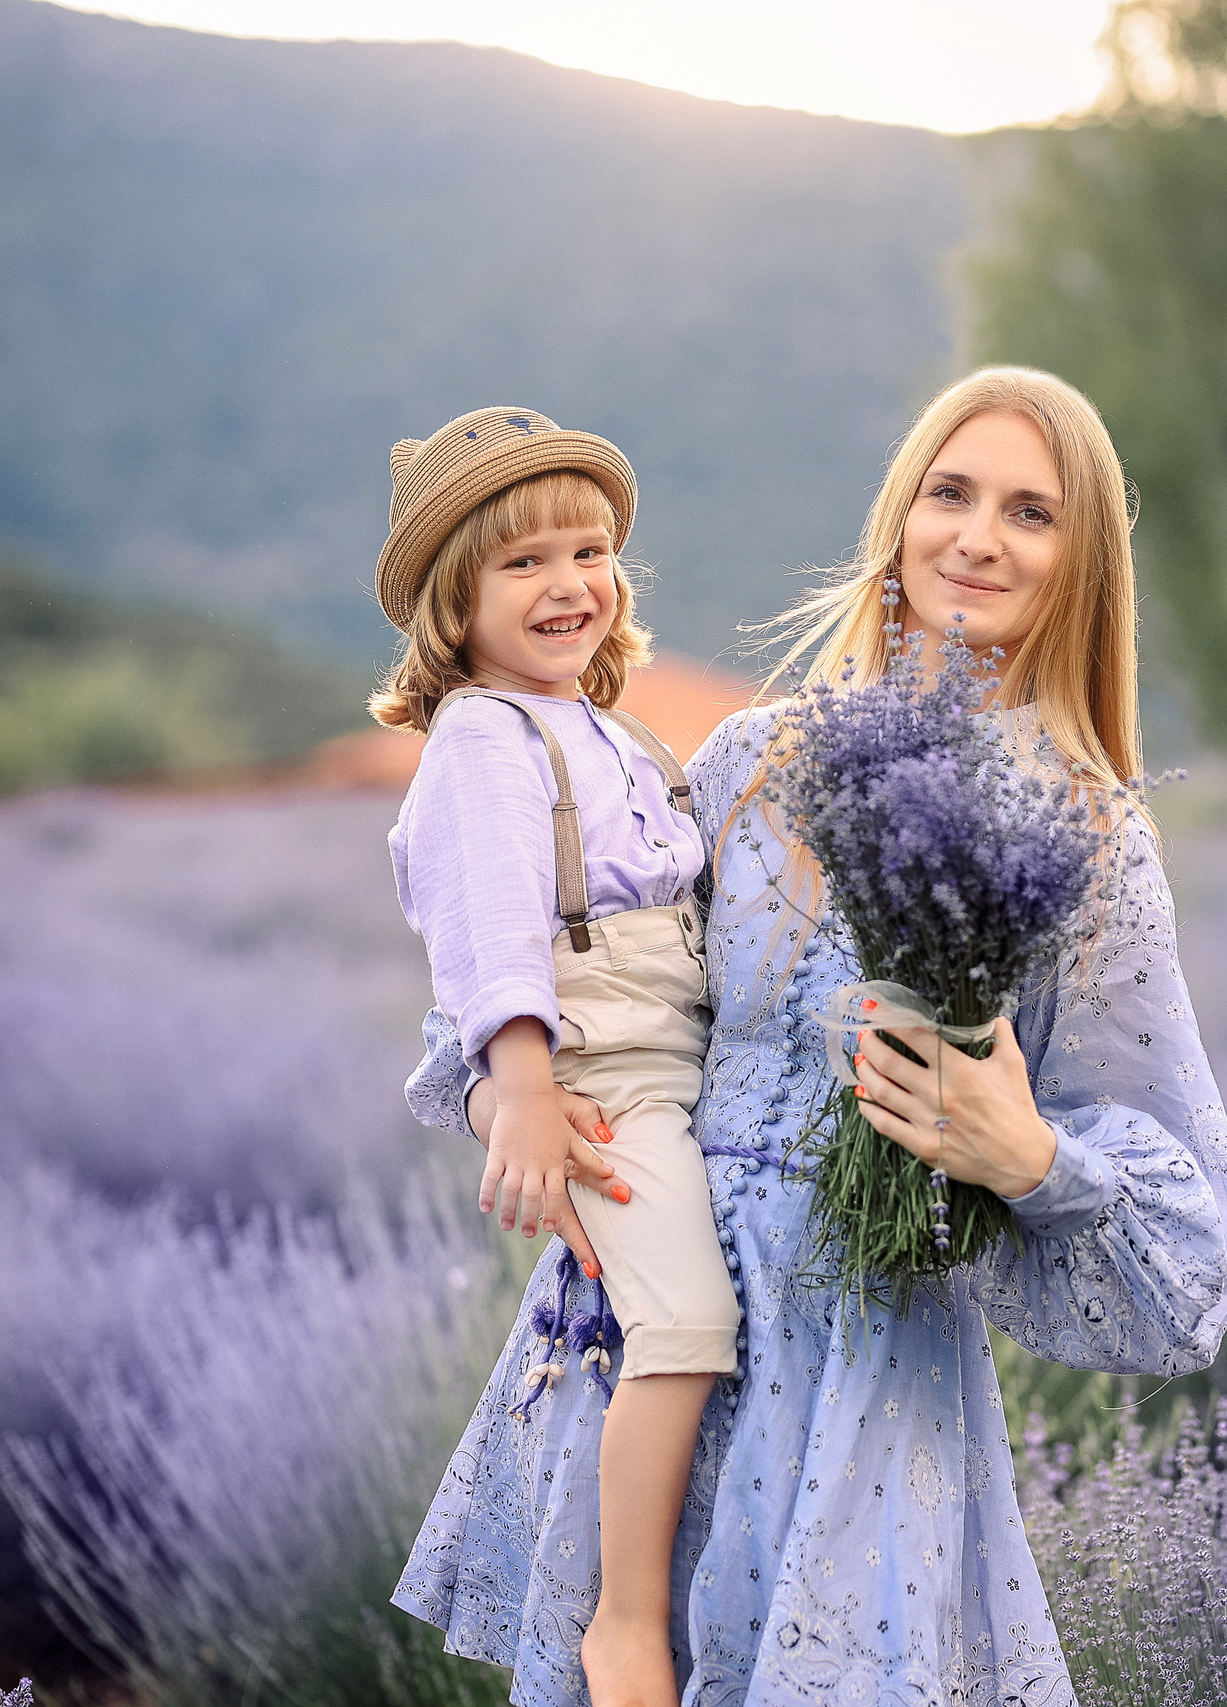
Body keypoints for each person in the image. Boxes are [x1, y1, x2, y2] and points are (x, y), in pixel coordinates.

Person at [396, 369, 1227, 1707]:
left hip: (861, 1378)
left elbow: (1192, 1279)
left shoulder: (1087, 837)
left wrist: (1028, 1158)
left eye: (1031, 512)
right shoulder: (746, 759)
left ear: (1081, 564)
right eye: (948, 494)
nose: (976, 536)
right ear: (898, 522)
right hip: (653, 1327)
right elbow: (579, 955)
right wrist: (515, 1090)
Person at [375, 406, 743, 1707]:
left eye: (588, 552)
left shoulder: (606, 727)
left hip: (684, 1061)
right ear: (451, 608)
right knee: (689, 1323)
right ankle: (625, 1622)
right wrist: (517, 1091)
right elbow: (488, 930)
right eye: (522, 563)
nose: (569, 584)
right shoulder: (484, 736)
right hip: (604, 1081)